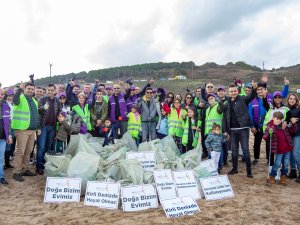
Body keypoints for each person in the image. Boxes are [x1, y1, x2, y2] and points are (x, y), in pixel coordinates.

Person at [223, 81, 257, 178]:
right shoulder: (227, 102)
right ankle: (235, 168)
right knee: (234, 150)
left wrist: (254, 89)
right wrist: (225, 130)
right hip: (232, 130)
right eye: (231, 91)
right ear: (228, 93)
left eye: (234, 91)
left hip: (243, 129)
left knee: (245, 149)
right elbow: (224, 117)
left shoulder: (243, 99)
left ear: (237, 91)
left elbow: (251, 96)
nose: (233, 93)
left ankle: (249, 170)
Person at [12, 82, 40, 182]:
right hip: (21, 129)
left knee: (28, 151)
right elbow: (15, 101)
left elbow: (36, 116)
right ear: (25, 89)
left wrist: (38, 128)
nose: (30, 90)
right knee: (20, 152)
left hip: (32, 130)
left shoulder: (34, 101)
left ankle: (25, 169)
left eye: (32, 89)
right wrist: (19, 89)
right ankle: (16, 172)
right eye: (28, 88)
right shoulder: (20, 98)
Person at [263, 111, 297, 185]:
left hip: (287, 149)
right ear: (273, 118)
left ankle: (283, 177)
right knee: (277, 164)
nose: (278, 121)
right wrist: (269, 132)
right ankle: (272, 176)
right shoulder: (270, 126)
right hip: (279, 150)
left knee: (285, 164)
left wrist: (293, 124)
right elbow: (265, 137)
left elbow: (293, 131)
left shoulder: (284, 126)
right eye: (277, 119)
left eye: (280, 119)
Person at [37, 84, 61, 174]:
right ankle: (39, 167)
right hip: (43, 126)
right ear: (47, 91)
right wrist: (43, 108)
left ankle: (46, 165)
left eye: (52, 90)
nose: (50, 92)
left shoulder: (57, 101)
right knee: (41, 147)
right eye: (49, 90)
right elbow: (37, 110)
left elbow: (59, 112)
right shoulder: (42, 99)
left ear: (55, 91)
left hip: (52, 127)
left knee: (48, 147)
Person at [262, 91, 290, 166]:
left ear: (281, 99)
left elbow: (288, 118)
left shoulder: (286, 109)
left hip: (281, 133)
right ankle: (270, 164)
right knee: (270, 149)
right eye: (276, 97)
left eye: (279, 97)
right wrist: (265, 96)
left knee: (280, 149)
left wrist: (285, 122)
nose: (277, 99)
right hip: (270, 131)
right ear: (273, 99)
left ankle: (280, 165)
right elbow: (264, 104)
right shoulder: (270, 108)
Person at [285, 93, 300, 181]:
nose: (292, 100)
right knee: (290, 153)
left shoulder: (299, 109)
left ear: (296, 100)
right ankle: (293, 171)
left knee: (295, 153)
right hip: (288, 134)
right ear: (288, 100)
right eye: (291, 98)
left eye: (294, 99)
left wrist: (296, 119)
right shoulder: (286, 110)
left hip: (297, 134)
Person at [0, 88, 13, 185]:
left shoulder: (5, 106)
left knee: (1, 158)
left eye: (2, 94)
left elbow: (7, 123)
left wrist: (9, 135)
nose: (0, 95)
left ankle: (1, 177)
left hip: (3, 137)